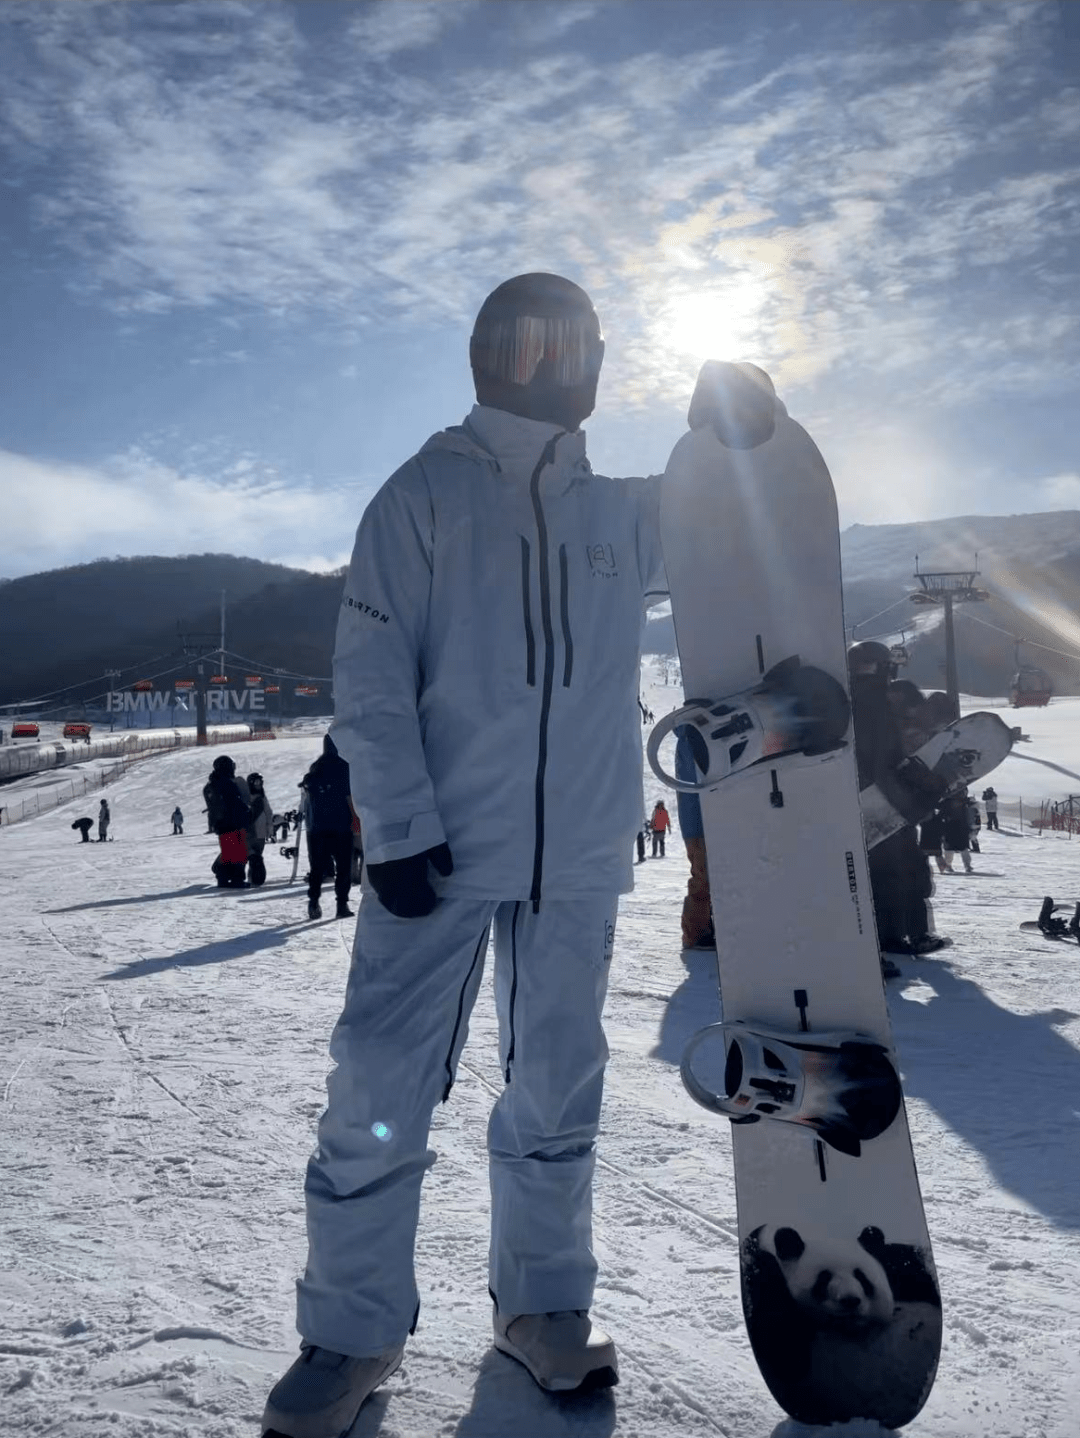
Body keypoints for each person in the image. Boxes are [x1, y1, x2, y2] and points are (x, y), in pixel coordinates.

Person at [263, 276, 769, 1437]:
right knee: (380, 1090)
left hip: (580, 856)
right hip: (436, 852)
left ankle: (541, 1308)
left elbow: (729, 519)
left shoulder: (622, 512)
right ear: (495, 353)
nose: (563, 361)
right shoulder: (425, 494)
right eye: (541, 341)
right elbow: (373, 670)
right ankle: (349, 1331)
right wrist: (393, 825)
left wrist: (731, 430)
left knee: (557, 1091)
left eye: (580, 343)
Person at [302, 735, 357, 920]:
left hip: (317, 827)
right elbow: (351, 796)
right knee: (343, 868)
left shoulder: (315, 767)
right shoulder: (344, 766)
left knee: (317, 868)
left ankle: (313, 902)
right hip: (341, 826)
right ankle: (342, 905)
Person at [675, 728, 714, 949]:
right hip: (698, 822)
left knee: (705, 874)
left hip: (698, 820)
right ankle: (695, 932)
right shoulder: (691, 741)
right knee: (703, 875)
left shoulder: (690, 739)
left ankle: (702, 927)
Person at [203, 755, 251, 888]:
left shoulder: (211, 784)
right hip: (234, 822)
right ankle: (237, 879)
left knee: (228, 851)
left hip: (221, 824)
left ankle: (222, 878)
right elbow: (235, 803)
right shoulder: (227, 783)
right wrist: (246, 812)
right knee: (239, 851)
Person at [245, 773, 272, 887]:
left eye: (260, 782)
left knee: (257, 855)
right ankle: (254, 877)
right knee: (251, 855)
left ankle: (255, 877)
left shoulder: (261, 797)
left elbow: (268, 812)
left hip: (260, 831)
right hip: (249, 830)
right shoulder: (246, 796)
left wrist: (270, 829)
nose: (258, 784)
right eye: (256, 782)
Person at [940, 790, 974, 873]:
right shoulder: (963, 803)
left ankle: (950, 866)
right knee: (960, 848)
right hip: (957, 828)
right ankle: (965, 866)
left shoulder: (947, 802)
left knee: (951, 849)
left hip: (952, 828)